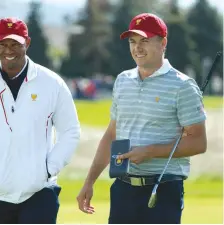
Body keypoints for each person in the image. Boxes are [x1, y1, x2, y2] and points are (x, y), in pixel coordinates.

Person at [76, 13, 207, 224]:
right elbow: (111, 134)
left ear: (163, 43)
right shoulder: (122, 80)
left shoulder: (183, 86)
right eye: (133, 41)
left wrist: (149, 152)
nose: (137, 47)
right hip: (122, 189)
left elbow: (198, 142)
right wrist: (89, 181)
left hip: (163, 190)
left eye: (144, 41)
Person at [0, 17, 81, 224]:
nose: (8, 50)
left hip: (40, 192)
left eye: (15, 44)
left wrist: (49, 168)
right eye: (3, 44)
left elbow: (71, 131)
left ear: (27, 43)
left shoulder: (52, 83)